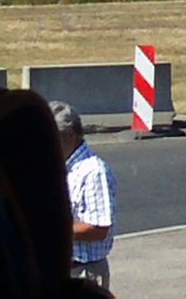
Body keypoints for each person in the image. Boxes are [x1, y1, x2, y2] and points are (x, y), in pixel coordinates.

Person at [50, 100, 117, 290]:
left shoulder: (93, 171)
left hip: (83, 273)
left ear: (70, 136)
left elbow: (98, 228)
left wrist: (49, 228)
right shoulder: (59, 167)